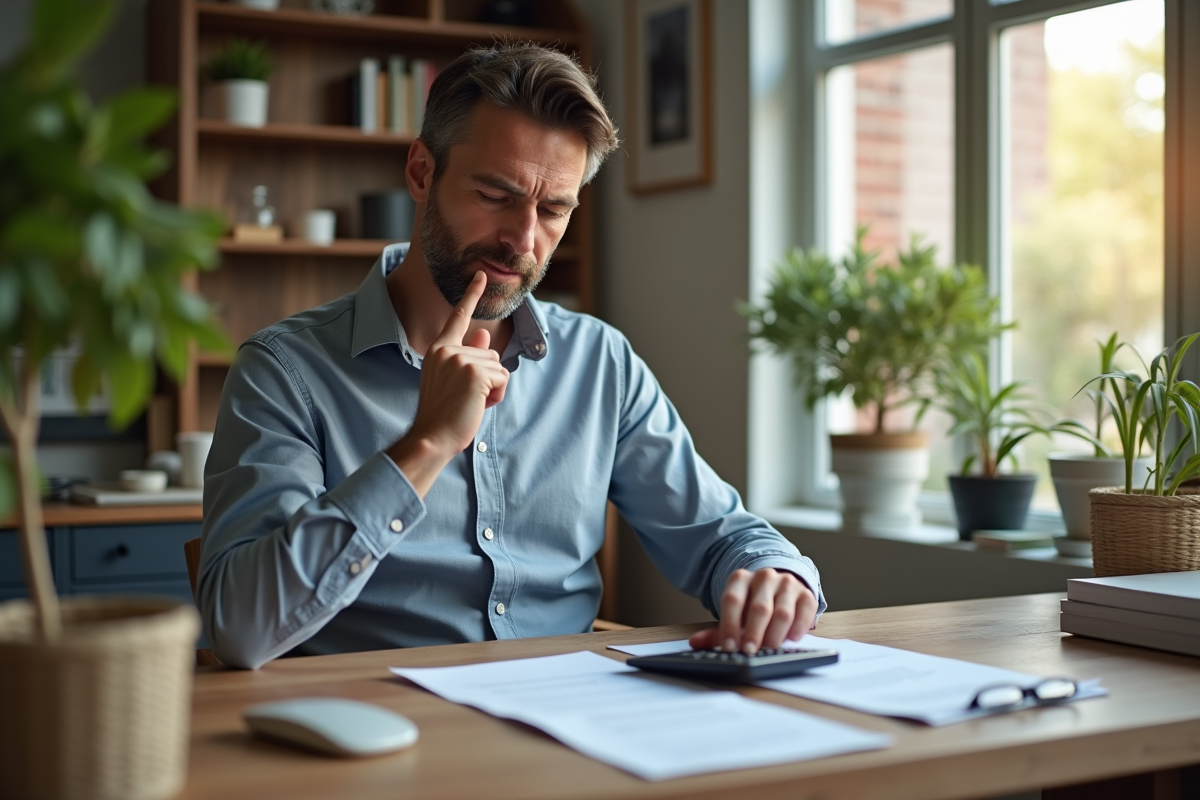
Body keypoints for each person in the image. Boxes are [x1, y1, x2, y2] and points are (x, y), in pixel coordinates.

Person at [197, 43, 825, 670]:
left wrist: (775, 576)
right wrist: (427, 443)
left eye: (554, 209)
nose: (523, 241)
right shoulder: (285, 370)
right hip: (377, 729)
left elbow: (719, 534)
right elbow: (241, 629)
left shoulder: (600, 362)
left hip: (567, 726)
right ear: (421, 172)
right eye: (496, 195)